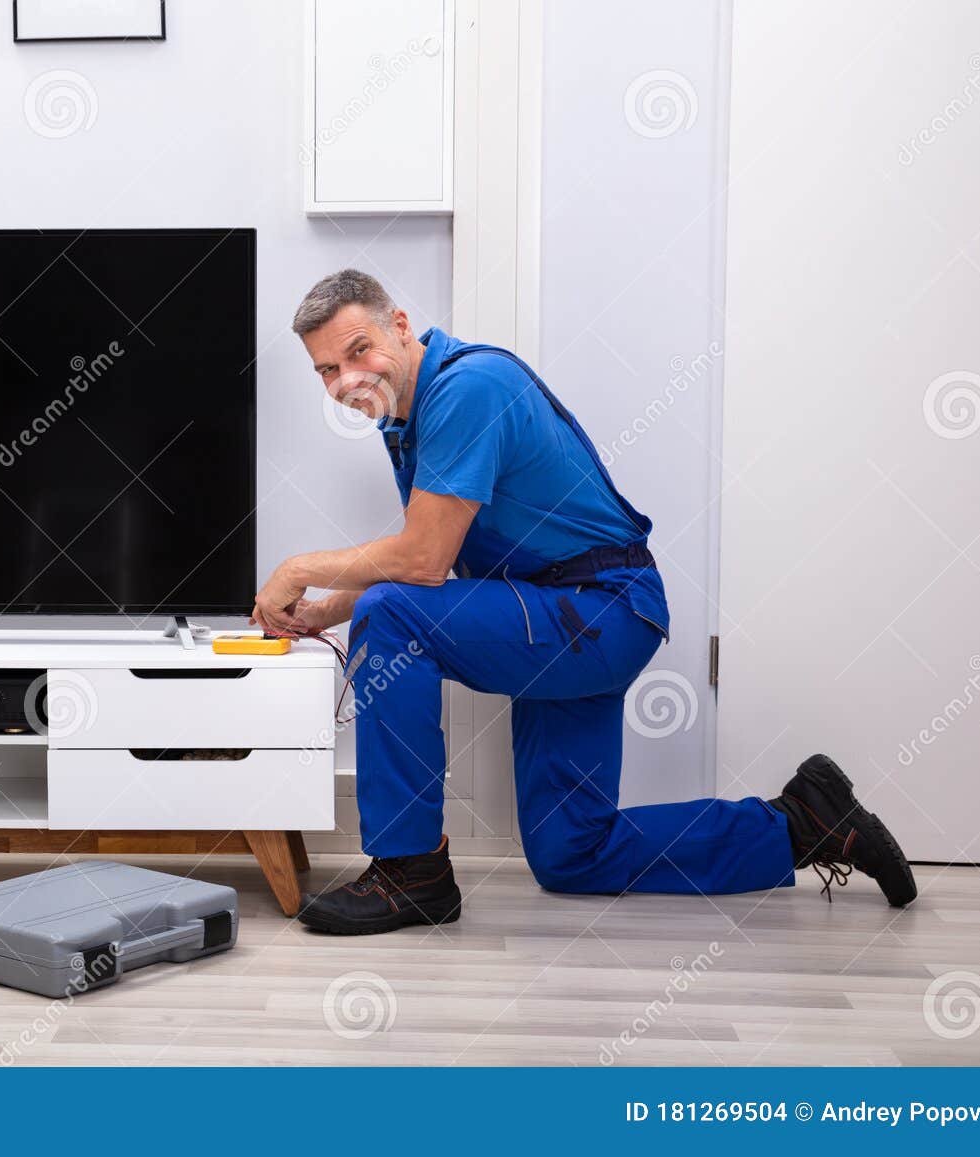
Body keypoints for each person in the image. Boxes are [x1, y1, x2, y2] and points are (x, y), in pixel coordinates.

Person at [251, 269, 916, 936]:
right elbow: (434, 556)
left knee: (389, 615)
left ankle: (410, 871)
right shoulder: (407, 415)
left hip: (599, 611)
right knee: (573, 851)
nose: (345, 382)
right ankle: (803, 822)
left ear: (400, 326)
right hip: (553, 614)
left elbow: (419, 562)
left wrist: (297, 568)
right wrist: (320, 612)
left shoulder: (466, 388)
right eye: (326, 370)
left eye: (357, 351)